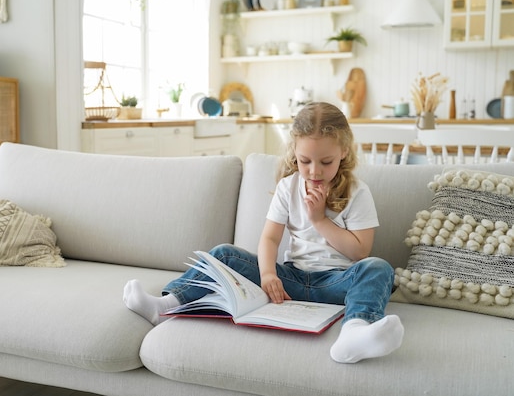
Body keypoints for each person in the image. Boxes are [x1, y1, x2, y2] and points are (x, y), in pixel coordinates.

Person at [124, 102, 404, 364]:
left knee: (378, 268)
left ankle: (354, 332)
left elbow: (360, 251)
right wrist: (269, 274)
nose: (314, 171)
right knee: (224, 253)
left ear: (343, 151)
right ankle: (165, 306)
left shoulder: (357, 192)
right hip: (291, 281)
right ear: (294, 150)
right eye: (305, 161)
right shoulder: (288, 187)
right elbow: (270, 238)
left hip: (337, 283)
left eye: (326, 162)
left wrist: (319, 220)